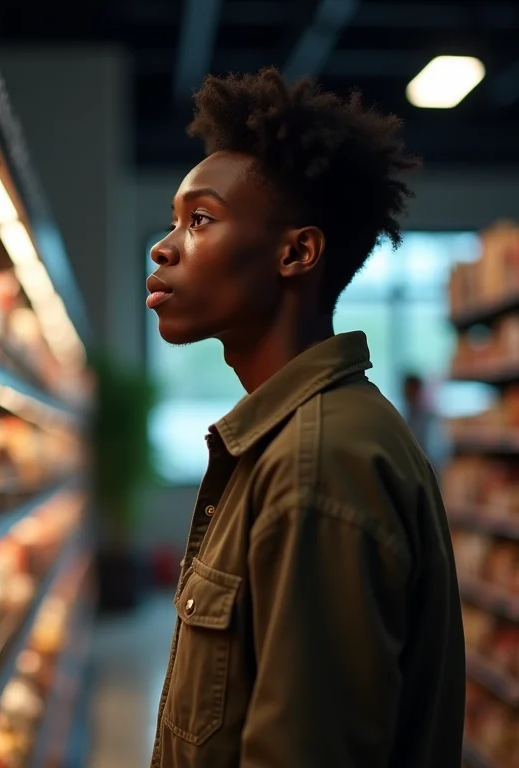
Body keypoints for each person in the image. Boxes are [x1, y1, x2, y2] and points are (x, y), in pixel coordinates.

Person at [146, 68, 464, 768]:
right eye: (173, 221)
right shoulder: (292, 439)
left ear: (297, 252)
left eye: (199, 220)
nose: (163, 247)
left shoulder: (317, 461)